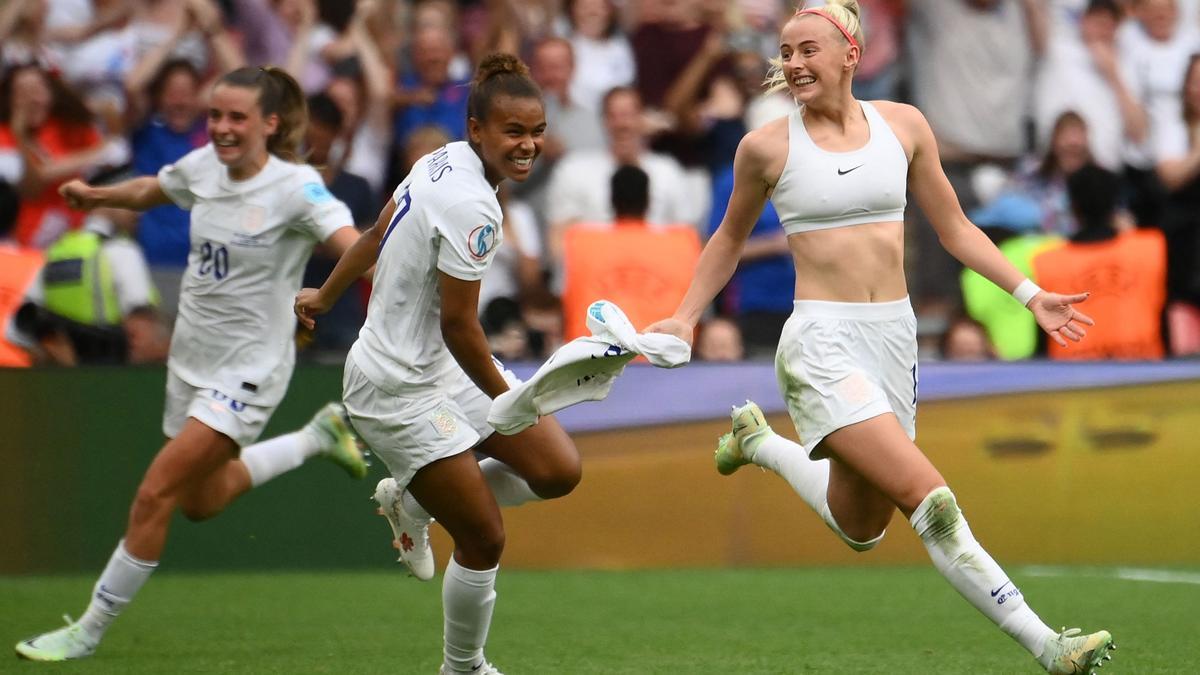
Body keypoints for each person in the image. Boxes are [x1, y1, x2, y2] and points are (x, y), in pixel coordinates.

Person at [645, 3, 1115, 673]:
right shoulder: (767, 147)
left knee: (863, 527)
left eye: (809, 49)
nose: (795, 62)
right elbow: (727, 237)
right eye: (786, 50)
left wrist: (1029, 292)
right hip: (820, 342)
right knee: (933, 500)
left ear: (850, 55)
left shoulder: (904, 124)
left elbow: (955, 228)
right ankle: (1050, 645)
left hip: (893, 339)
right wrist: (687, 314)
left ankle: (763, 445)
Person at [14, 66, 369, 662]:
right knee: (201, 501)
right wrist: (97, 194)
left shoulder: (298, 188)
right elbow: (155, 188)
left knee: (154, 493)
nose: (223, 129)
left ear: (269, 123)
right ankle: (316, 438)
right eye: (216, 116)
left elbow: (350, 241)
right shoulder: (203, 166)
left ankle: (87, 631)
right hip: (191, 359)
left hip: (251, 368)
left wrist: (342, 292)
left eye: (237, 118)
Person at [295, 53, 580, 675]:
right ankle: (463, 667)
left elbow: (373, 234)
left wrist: (325, 293)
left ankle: (414, 503)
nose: (528, 144)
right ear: (477, 128)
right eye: (514, 131)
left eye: (537, 131)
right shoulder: (473, 205)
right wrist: (513, 399)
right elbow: (459, 325)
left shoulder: (438, 157)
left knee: (558, 469)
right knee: (483, 537)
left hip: (440, 367)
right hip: (394, 387)